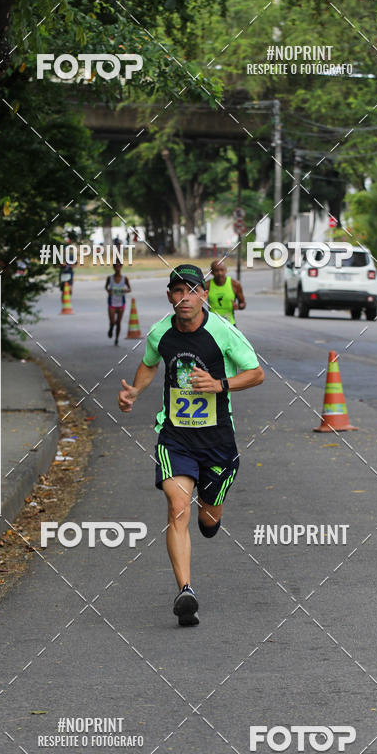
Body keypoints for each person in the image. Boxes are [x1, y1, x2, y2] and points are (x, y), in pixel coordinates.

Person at [117, 264, 264, 627]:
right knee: (177, 507)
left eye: (192, 291)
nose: (185, 298)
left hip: (217, 440)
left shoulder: (222, 332)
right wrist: (135, 390)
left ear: (203, 295)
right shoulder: (160, 333)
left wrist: (220, 385)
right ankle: (186, 591)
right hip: (175, 438)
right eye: (177, 291)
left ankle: (211, 514)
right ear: (170, 296)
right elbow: (150, 364)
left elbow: (256, 373)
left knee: (208, 518)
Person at [206, 259, 246, 325]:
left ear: (226, 270)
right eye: (216, 270)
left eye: (222, 270)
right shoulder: (207, 285)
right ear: (211, 272)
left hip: (230, 324)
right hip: (213, 324)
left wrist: (238, 306)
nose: (219, 273)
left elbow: (243, 303)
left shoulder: (235, 285)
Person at [105, 261, 131, 345]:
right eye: (116, 267)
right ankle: (111, 328)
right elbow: (106, 287)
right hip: (112, 303)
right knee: (112, 321)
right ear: (113, 268)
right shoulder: (110, 278)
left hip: (121, 303)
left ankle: (116, 339)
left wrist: (125, 291)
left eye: (119, 266)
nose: (117, 268)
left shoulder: (125, 278)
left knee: (119, 322)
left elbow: (129, 289)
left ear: (121, 267)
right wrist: (109, 291)